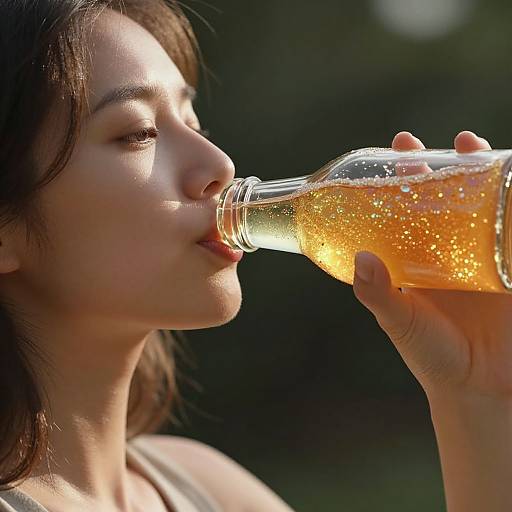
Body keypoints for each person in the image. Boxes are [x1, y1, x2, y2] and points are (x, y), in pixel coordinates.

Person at [0, 1, 509, 511]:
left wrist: (475, 394)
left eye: (192, 121)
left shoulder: (207, 487)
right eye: (138, 133)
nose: (220, 164)